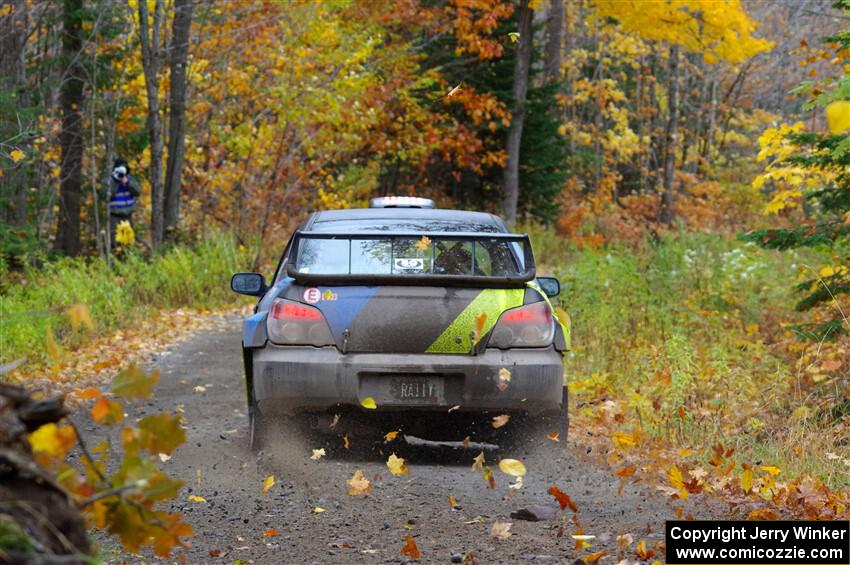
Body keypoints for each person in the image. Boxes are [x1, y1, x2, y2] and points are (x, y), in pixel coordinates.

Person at [104, 158, 140, 247]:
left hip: (128, 216)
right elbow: (105, 195)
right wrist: (115, 181)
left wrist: (128, 183)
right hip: (115, 217)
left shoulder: (129, 179)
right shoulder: (109, 181)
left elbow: (137, 191)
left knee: (129, 242)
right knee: (115, 243)